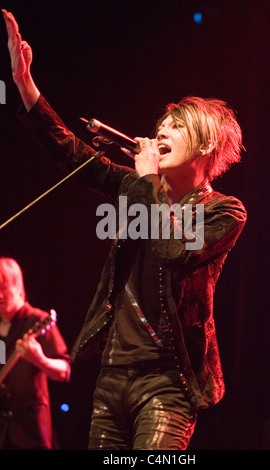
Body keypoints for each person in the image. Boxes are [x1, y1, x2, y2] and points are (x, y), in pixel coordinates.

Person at [2, 10, 247, 450]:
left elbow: (175, 252)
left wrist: (150, 181)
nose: (161, 131)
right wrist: (26, 87)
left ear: (206, 144)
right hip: (112, 376)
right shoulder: (137, 186)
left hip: (168, 383)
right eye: (161, 126)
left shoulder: (225, 211)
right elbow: (72, 155)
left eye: (176, 127)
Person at [0, 257, 71, 450]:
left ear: (17, 286)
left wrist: (39, 360)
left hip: (30, 432)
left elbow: (64, 371)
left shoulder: (37, 321)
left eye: (3, 287)